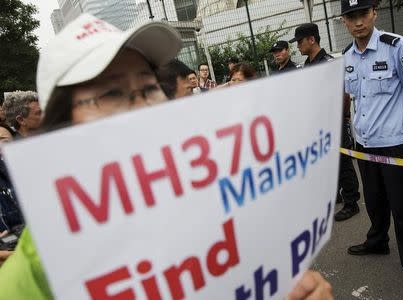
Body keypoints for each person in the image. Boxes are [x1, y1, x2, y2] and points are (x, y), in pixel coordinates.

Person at [0, 13, 333, 300]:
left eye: (148, 88)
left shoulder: (219, 202)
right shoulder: (26, 281)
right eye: (112, 93)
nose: (144, 107)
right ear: (61, 123)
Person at [341, 0, 403, 298]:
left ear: (373, 13)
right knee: (375, 201)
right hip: (365, 146)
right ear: (344, 21)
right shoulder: (347, 57)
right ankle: (377, 241)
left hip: (395, 146)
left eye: (363, 14)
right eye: (351, 17)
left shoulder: (397, 47)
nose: (358, 22)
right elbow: (347, 95)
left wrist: (400, 125)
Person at [290, 23, 361, 221]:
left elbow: (344, 95)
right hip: (318, 123)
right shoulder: (309, 64)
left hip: (333, 121)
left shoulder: (328, 63)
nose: (297, 46)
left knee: (343, 161)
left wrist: (341, 118)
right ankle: (337, 195)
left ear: (312, 39)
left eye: (300, 41)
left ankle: (351, 202)